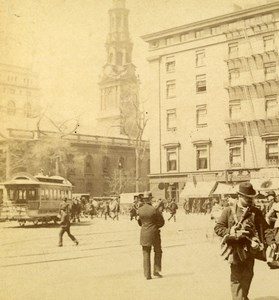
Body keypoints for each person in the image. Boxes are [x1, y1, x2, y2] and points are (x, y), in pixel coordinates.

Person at [214, 182, 268, 300]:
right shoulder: (228, 211)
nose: (250, 200)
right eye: (247, 198)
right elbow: (218, 228)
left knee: (248, 277)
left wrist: (272, 241)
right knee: (237, 279)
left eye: (252, 198)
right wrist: (230, 231)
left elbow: (266, 229)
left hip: (250, 251)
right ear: (239, 196)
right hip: (235, 250)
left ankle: (243, 297)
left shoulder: (256, 212)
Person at [138, 191, 165, 280]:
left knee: (146, 253)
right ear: (150, 199)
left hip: (144, 234)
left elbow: (139, 222)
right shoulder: (154, 210)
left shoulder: (140, 210)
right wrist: (155, 226)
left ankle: (147, 275)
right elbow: (161, 222)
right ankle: (156, 271)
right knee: (157, 251)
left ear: (144, 199)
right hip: (154, 234)